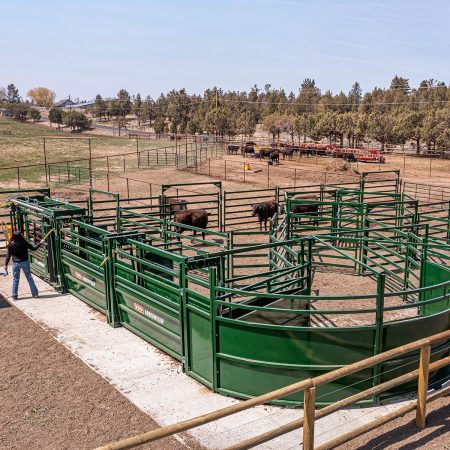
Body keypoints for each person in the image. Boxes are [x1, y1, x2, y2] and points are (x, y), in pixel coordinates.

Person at [4, 231, 41, 300]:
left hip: (15, 264)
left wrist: (6, 264)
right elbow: (34, 249)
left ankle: (14, 296)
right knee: (29, 278)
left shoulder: (11, 244)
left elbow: (8, 255)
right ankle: (35, 294)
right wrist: (40, 243)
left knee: (15, 279)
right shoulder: (24, 243)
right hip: (24, 262)